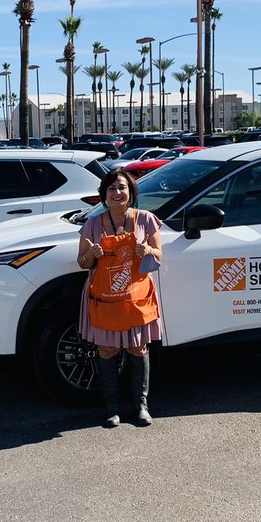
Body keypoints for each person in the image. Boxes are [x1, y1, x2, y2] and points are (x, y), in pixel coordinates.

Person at [77, 168, 163, 427]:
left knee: (138, 348)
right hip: (105, 299)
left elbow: (159, 255)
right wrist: (91, 254)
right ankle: (112, 409)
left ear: (131, 192)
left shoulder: (146, 220)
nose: (117, 193)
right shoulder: (92, 225)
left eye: (122, 187)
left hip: (135, 298)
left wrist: (148, 248)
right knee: (107, 350)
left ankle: (140, 406)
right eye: (112, 188)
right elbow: (82, 263)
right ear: (104, 194)